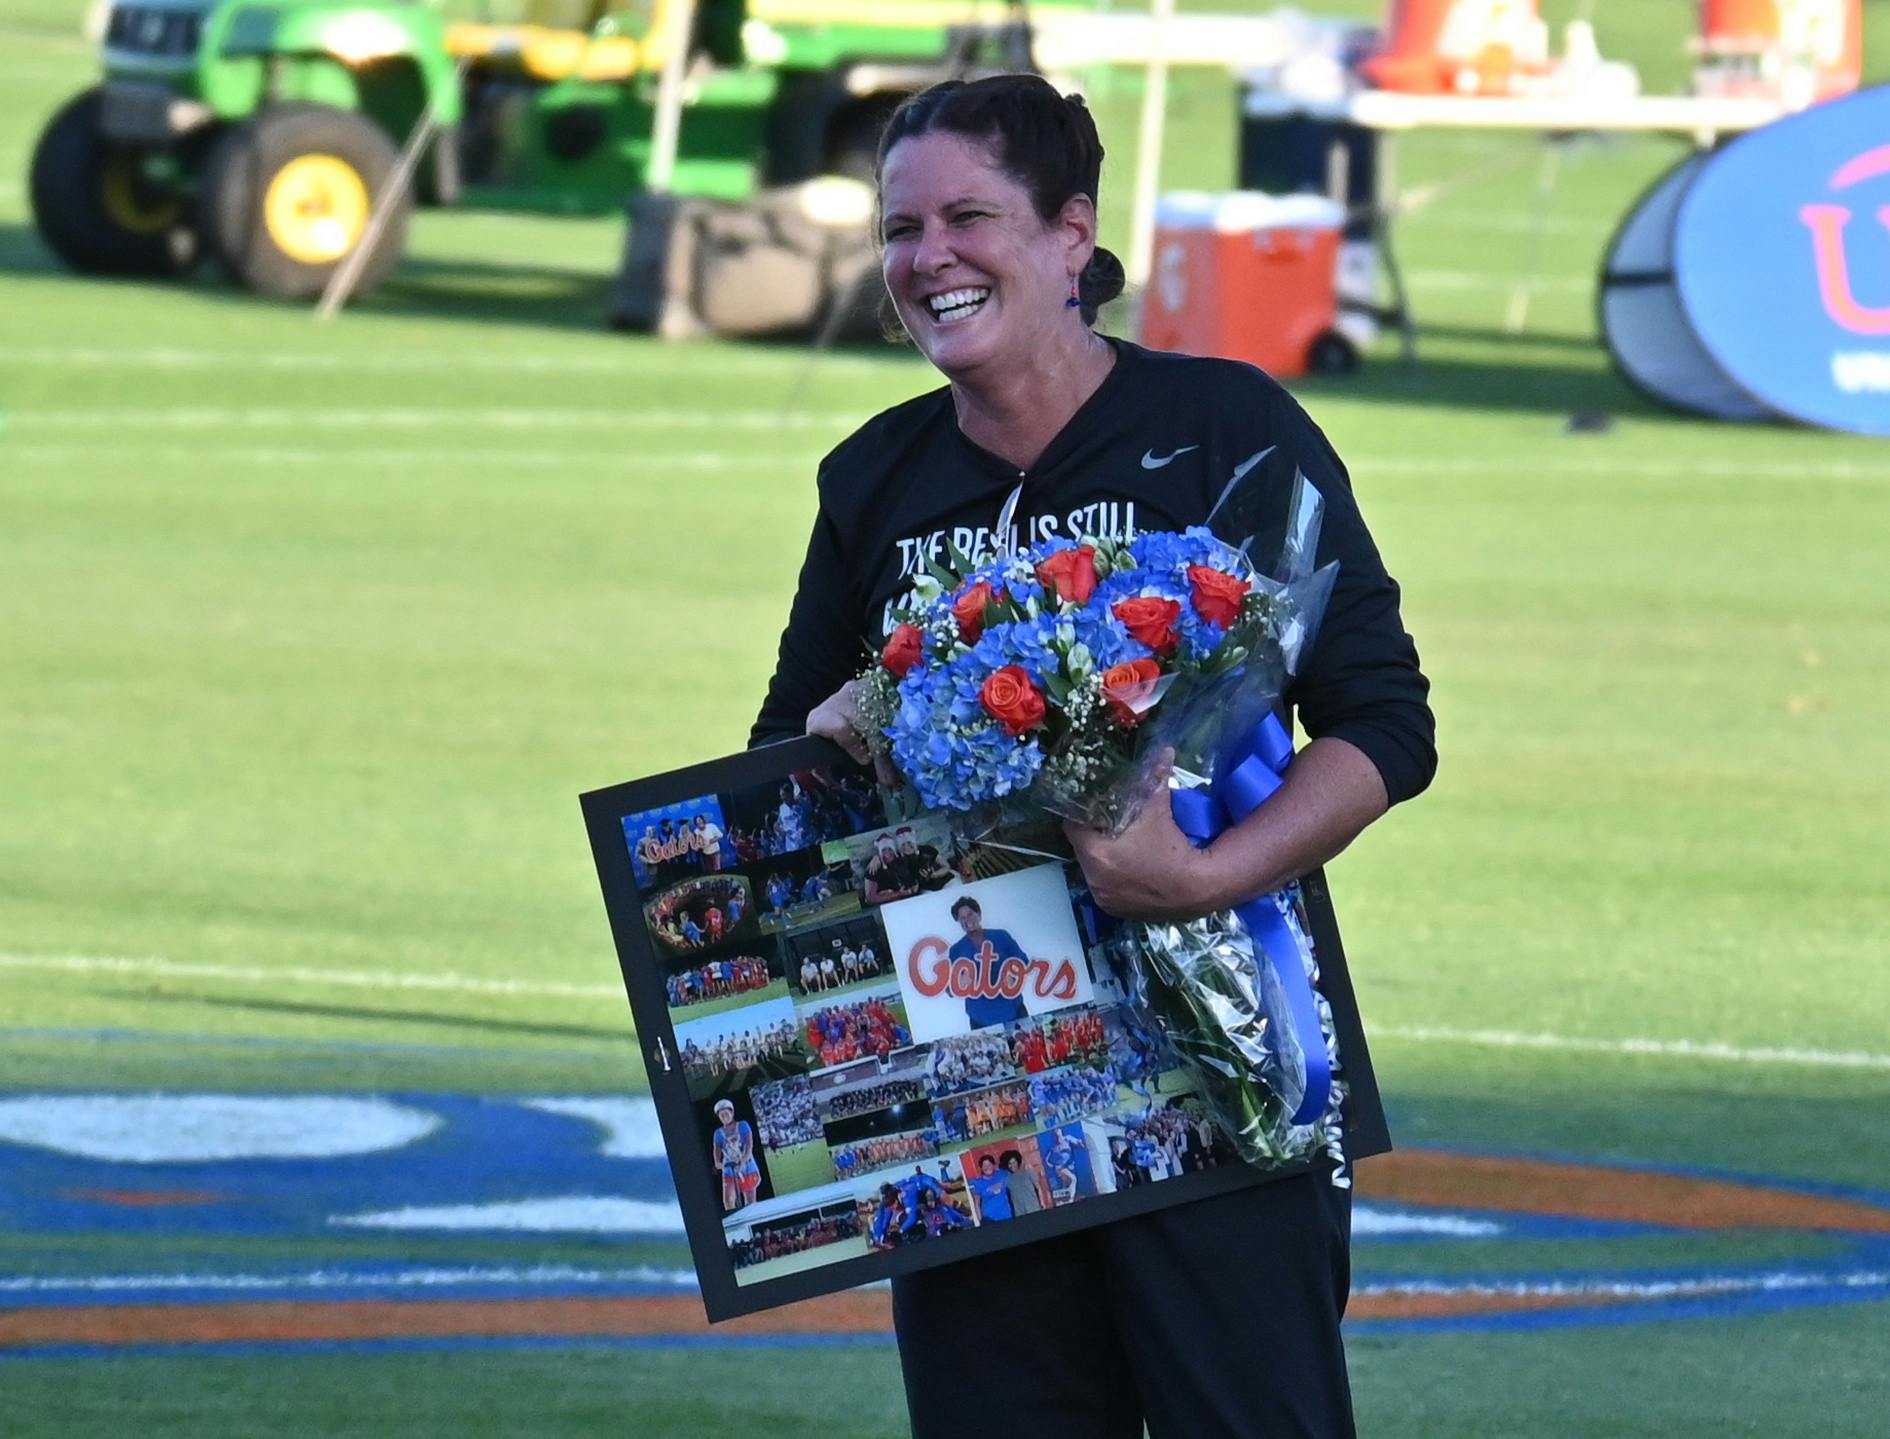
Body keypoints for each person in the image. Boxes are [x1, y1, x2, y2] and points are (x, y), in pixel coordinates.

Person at [749, 73, 1433, 1439]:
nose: (923, 257)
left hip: (1219, 1059)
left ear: (1072, 236)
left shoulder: (1231, 429)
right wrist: (826, 746)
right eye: (897, 229)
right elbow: (778, 767)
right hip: (977, 1076)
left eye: (966, 217)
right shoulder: (872, 475)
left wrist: (1202, 872)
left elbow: (1382, 721)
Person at [945, 896, 1028, 1028]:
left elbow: (1023, 961)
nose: (967, 920)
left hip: (1013, 1009)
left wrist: (1013, 974)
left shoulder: (1001, 936)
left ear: (979, 914)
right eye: (962, 918)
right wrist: (958, 983)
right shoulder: (956, 950)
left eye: (970, 914)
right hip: (980, 1017)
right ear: (959, 922)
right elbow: (949, 989)